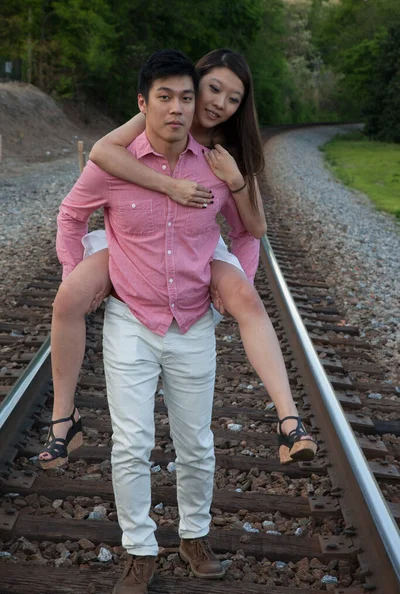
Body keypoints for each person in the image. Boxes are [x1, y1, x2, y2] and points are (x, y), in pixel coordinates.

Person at [39, 49, 317, 471]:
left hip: (199, 244)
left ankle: (289, 420)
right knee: (70, 296)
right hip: (136, 240)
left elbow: (252, 230)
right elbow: (102, 152)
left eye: (233, 99)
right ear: (193, 83)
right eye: (213, 89)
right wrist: (169, 187)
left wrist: (237, 183)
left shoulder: (228, 150)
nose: (218, 104)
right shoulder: (158, 115)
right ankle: (64, 419)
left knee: (246, 298)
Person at [54, 48, 261, 594]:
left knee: (196, 443)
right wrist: (79, 275)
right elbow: (71, 215)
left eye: (185, 98)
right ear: (143, 103)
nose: (177, 108)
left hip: (193, 320)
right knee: (131, 443)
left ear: (195, 106)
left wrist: (239, 280)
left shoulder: (216, 165)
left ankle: (194, 538)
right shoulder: (116, 161)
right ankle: (139, 551)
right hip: (131, 319)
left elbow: (247, 230)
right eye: (164, 97)